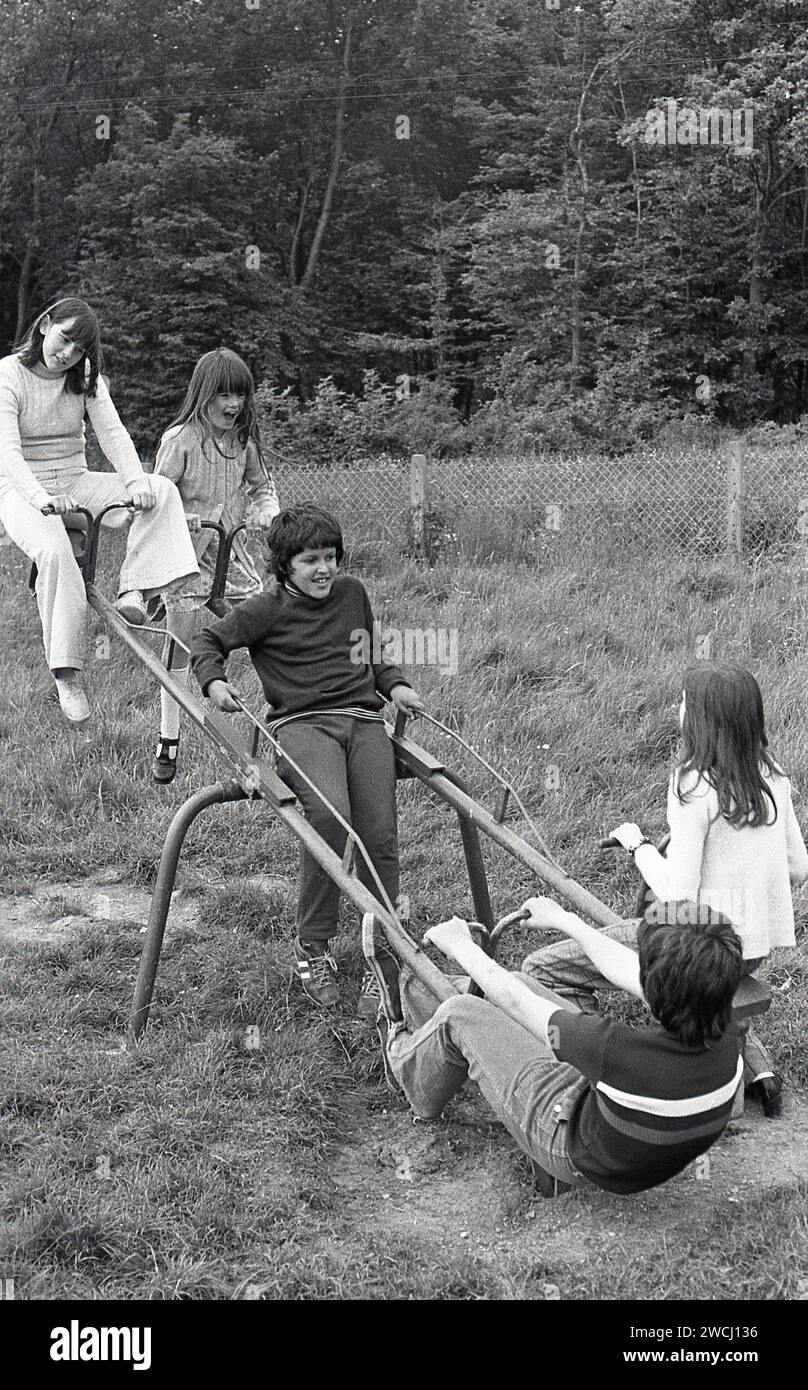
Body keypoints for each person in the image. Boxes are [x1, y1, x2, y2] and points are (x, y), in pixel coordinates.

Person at [525, 660, 808, 1119]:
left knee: (544, 968)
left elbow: (679, 895)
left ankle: (601, 1074)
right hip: (751, 950)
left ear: (698, 719)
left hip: (698, 950)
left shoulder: (694, 785)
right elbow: (799, 867)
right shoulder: (771, 773)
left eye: (683, 701)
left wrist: (637, 845)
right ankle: (751, 1063)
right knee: (711, 983)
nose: (676, 708)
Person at [190, 503, 425, 1007]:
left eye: (331, 557)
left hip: (363, 722)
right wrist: (213, 681)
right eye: (311, 560)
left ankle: (380, 948)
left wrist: (396, 686)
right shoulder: (266, 607)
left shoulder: (352, 594)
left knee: (378, 833)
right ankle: (313, 944)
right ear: (285, 567)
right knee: (329, 816)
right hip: (302, 724)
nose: (324, 569)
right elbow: (209, 640)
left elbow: (372, 654)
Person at [366, 896, 744, 1195]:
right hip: (643, 1148)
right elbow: (630, 970)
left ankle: (406, 1062)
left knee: (461, 1013)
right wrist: (564, 919)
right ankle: (421, 993)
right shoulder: (724, 1025)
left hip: (572, 1149)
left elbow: (518, 1004)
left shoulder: (613, 1050)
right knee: (514, 983)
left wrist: (460, 946)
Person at [0, 298, 199, 724]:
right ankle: (67, 672)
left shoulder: (83, 376)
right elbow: (8, 453)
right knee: (55, 552)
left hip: (75, 479)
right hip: (20, 490)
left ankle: (135, 590)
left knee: (162, 490)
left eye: (79, 349)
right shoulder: (8, 374)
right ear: (44, 326)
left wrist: (135, 482)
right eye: (65, 338)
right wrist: (41, 500)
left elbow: (113, 433)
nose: (68, 352)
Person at [150, 348, 279, 783]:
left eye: (239, 395)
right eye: (223, 395)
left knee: (270, 621)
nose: (232, 405)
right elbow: (155, 499)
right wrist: (177, 519)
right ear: (203, 394)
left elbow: (263, 488)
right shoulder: (180, 440)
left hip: (230, 554)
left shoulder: (243, 441)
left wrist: (265, 509)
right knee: (180, 647)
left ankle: (285, 714)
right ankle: (169, 739)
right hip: (186, 557)